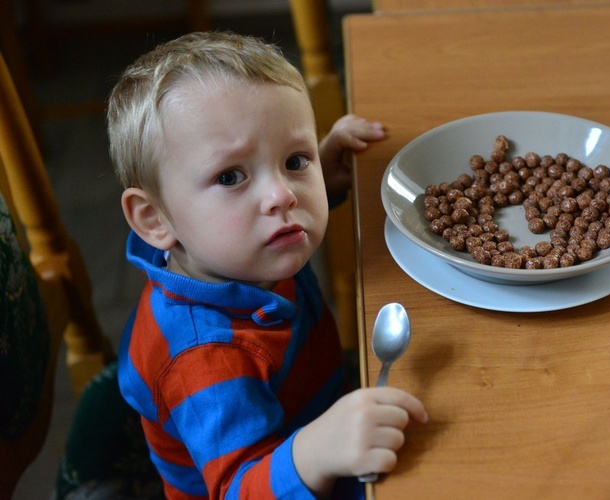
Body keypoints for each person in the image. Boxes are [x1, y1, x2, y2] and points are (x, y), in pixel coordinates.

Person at [107, 31, 428, 499]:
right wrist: (316, 450)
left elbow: (268, 192)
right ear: (155, 219)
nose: (283, 195)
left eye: (294, 160)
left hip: (313, 417)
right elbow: (240, 489)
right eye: (231, 176)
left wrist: (325, 171)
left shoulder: (236, 247)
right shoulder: (205, 361)